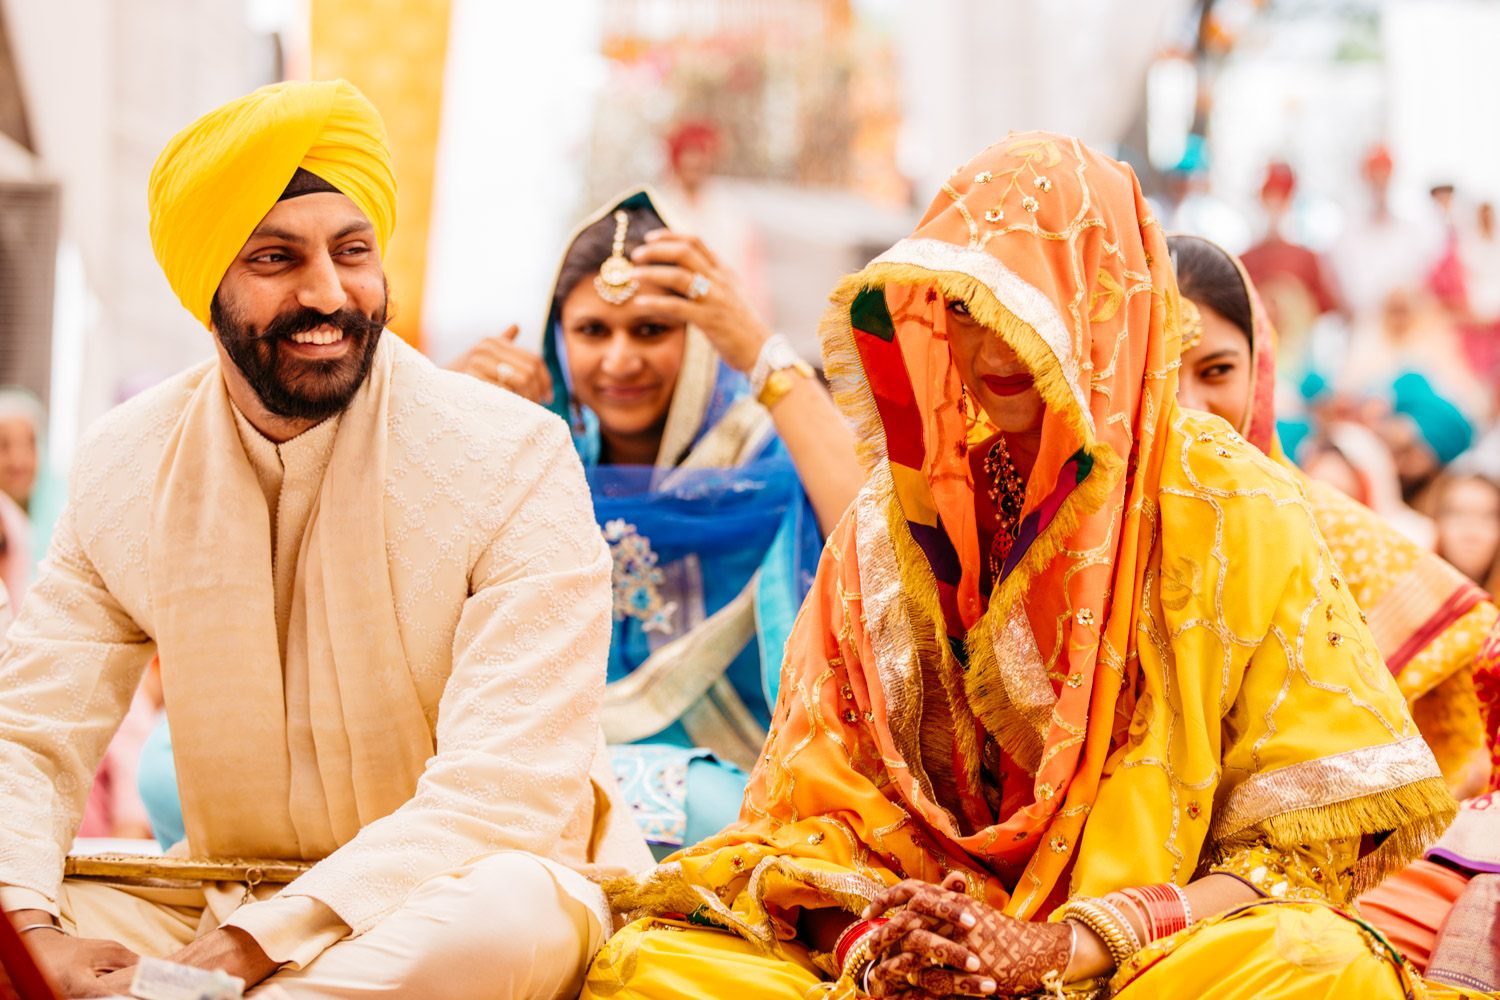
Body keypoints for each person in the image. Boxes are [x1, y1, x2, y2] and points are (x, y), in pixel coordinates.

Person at [585, 133, 1456, 1000]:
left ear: (1109, 308)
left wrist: (1058, 949)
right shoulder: (892, 522)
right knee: (649, 963)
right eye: (965, 309)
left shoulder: (1237, 506)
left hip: (1143, 959)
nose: (997, 348)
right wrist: (894, 942)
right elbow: (809, 817)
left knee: (1315, 961)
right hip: (920, 951)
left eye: (1032, 308)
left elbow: (1297, 857)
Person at [0, 80, 650, 1000]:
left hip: (449, 899)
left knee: (506, 914)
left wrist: (259, 947)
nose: (327, 293)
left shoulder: (509, 453)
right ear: (205, 284)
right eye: (276, 258)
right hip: (218, 897)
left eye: (354, 252)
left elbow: (508, 790)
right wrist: (31, 934)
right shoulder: (123, 466)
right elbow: (30, 735)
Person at [450, 189, 862, 858]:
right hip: (547, 769)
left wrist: (758, 348)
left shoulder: (762, 455)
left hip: (745, 786)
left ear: (700, 338)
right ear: (559, 338)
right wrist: (451, 417)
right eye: (592, 331)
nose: (619, 361)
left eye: (650, 329)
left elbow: (872, 533)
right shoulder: (535, 456)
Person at [1172, 233, 1496, 793]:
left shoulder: (1325, 530)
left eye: (1217, 371)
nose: (1188, 407)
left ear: (1261, 371)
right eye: (1160, 372)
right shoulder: (1079, 532)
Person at [1430, 470, 1500, 601]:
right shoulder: (1409, 594)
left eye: (1488, 517)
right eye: (1457, 514)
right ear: (1436, 520)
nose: (1471, 531)